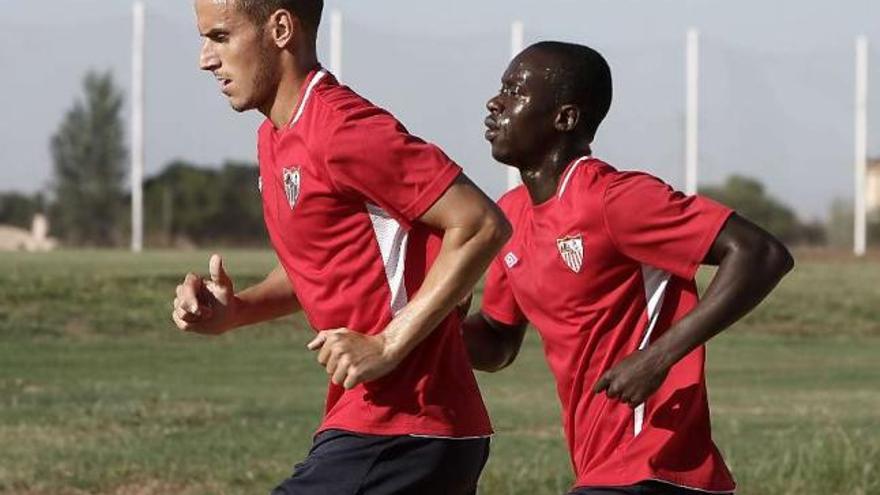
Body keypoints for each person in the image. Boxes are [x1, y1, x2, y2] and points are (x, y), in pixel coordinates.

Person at [172, 1, 511, 493]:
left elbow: (480, 224)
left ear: (281, 29)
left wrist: (387, 344)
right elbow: (318, 266)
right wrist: (236, 310)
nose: (205, 59)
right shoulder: (274, 137)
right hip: (385, 426)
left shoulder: (342, 129)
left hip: (404, 425)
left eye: (220, 37)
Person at [465, 41, 794, 495]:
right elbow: (497, 342)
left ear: (565, 118)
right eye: (500, 88)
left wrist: (657, 357)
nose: (494, 103)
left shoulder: (613, 199)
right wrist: (406, 327)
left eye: (514, 90)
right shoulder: (512, 214)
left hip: (656, 464)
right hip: (600, 466)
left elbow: (761, 254)